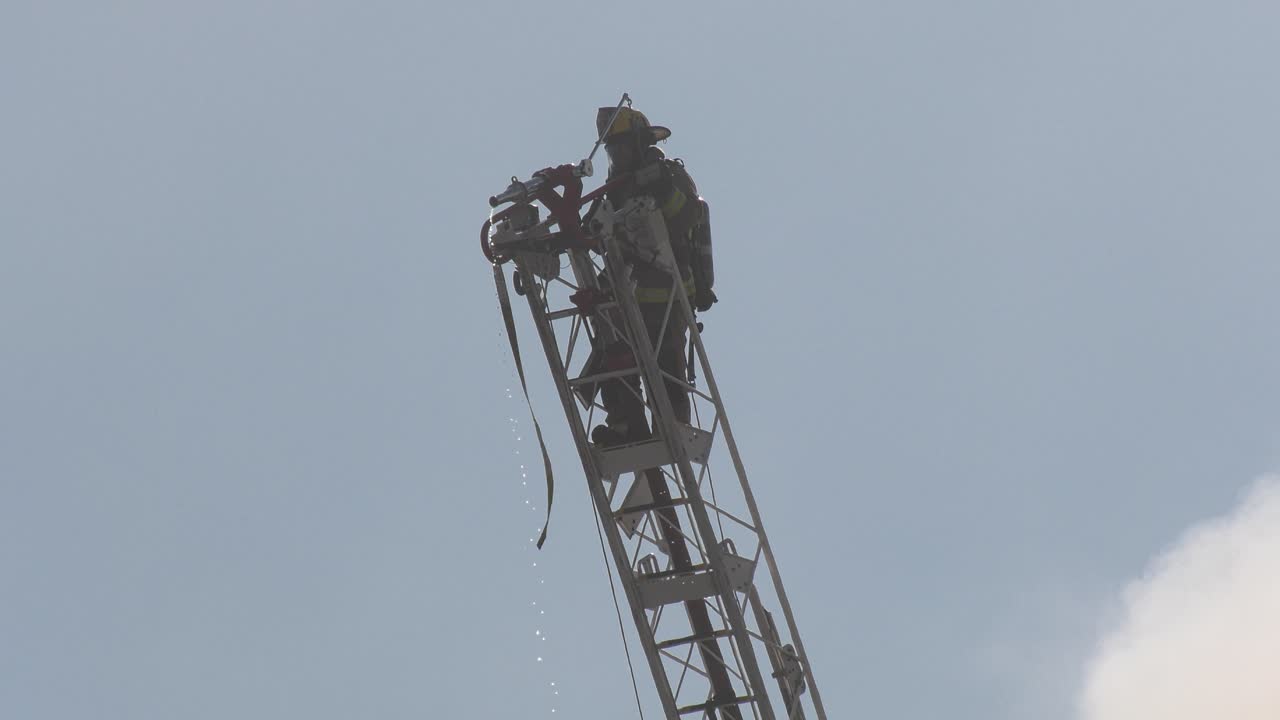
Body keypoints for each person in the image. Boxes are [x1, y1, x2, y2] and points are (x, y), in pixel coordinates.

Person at [589, 105, 711, 447]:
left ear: (641, 143)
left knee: (666, 364)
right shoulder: (614, 187)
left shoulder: (670, 176)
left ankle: (672, 427)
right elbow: (597, 233)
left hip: (667, 292)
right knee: (611, 361)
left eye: (623, 146)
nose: (618, 154)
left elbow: (686, 217)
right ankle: (624, 426)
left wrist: (660, 190)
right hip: (627, 294)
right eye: (612, 149)